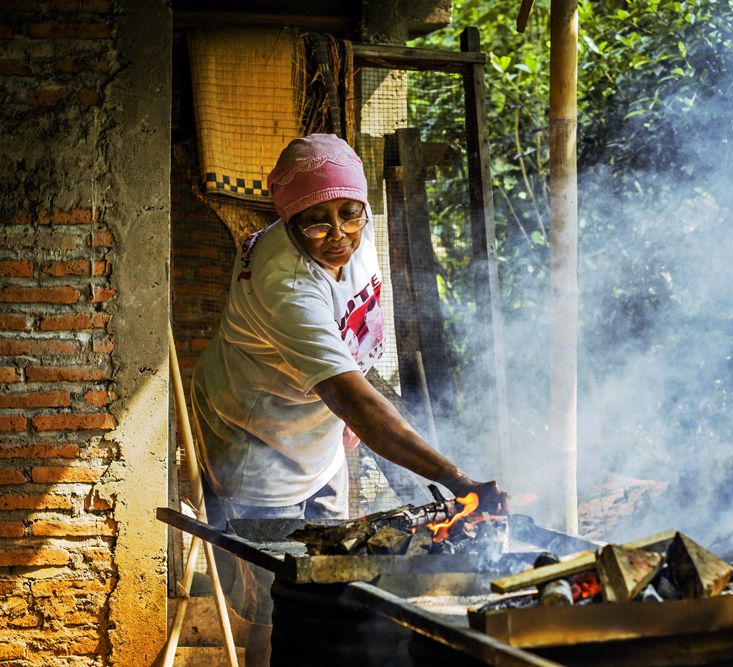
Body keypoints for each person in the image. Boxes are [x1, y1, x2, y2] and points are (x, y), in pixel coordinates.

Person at [189, 133, 506, 665]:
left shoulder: (357, 225)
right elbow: (352, 397)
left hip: (316, 429)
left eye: (349, 213)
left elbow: (350, 365)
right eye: (316, 220)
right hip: (254, 437)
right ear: (289, 221)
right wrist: (457, 480)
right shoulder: (286, 284)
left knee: (334, 576)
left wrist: (345, 420)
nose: (338, 234)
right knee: (281, 598)